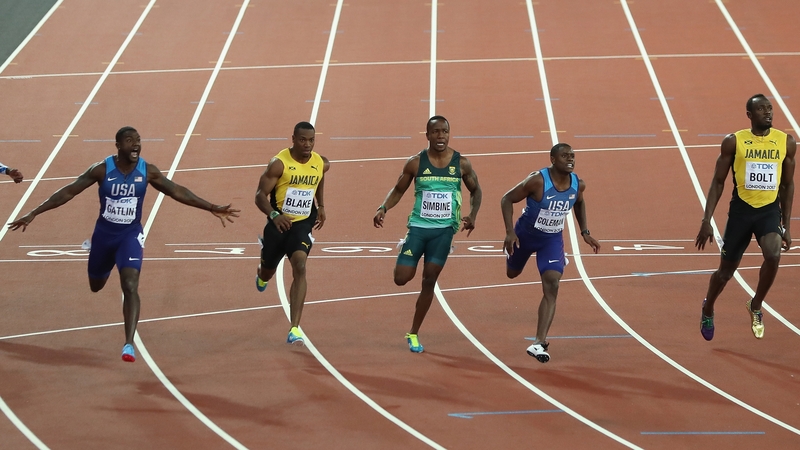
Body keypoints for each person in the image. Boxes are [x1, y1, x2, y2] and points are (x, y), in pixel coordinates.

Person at [7, 126, 240, 362]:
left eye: (138, 140)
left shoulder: (147, 171)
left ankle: (129, 343)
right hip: (103, 236)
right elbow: (68, 192)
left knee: (130, 284)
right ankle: (98, 256)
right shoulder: (101, 170)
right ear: (118, 146)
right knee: (96, 285)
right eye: (130, 141)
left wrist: (210, 207)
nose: (136, 144)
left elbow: (176, 191)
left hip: (130, 235)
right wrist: (34, 213)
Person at [373, 115, 482, 353]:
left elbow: (476, 190)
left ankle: (413, 332)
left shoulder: (461, 163)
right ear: (428, 135)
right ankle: (407, 247)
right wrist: (383, 208)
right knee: (401, 278)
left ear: (449, 134)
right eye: (436, 132)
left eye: (444, 131)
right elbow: (399, 189)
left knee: (429, 279)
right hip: (419, 228)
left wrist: (473, 214)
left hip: (444, 231)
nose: (440, 136)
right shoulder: (415, 163)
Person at [696, 94, 796, 341]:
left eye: (770, 108)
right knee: (725, 273)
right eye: (761, 109)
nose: (768, 113)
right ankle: (708, 308)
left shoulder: (786, 142)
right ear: (750, 115)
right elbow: (718, 182)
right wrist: (706, 220)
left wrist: (787, 226)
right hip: (741, 212)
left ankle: (756, 305)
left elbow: (788, 185)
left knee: (773, 255)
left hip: (769, 211)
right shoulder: (734, 142)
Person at [500, 143, 600, 363]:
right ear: (553, 159)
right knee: (512, 273)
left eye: (573, 156)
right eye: (565, 156)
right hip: (524, 236)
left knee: (553, 283)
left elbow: (579, 204)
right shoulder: (537, 181)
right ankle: (515, 256)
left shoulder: (578, 185)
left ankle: (539, 342)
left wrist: (585, 232)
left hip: (551, 240)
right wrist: (509, 233)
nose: (570, 159)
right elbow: (506, 199)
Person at [255, 121, 329, 346]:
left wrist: (322, 205)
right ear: (294, 139)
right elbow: (259, 195)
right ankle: (262, 270)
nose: (308, 144)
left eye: (312, 140)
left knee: (300, 266)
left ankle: (294, 327)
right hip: (278, 224)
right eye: (303, 140)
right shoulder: (279, 164)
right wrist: (274, 216)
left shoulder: (320, 163)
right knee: (267, 273)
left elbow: (319, 178)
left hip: (301, 225)